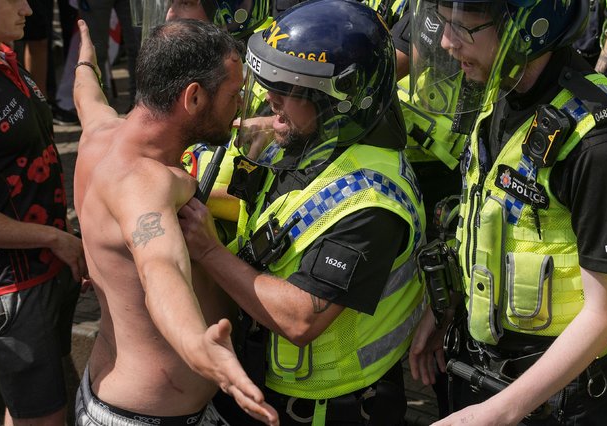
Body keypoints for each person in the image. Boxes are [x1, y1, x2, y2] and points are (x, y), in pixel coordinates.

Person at [178, 1, 427, 424]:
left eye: (287, 89)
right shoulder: (319, 139)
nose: (270, 99)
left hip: (333, 408)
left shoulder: (372, 201)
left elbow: (298, 319)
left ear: (340, 99)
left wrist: (207, 251)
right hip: (275, 387)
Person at [407, 0, 607, 424]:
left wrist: (500, 412)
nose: (447, 42)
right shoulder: (498, 88)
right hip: (477, 368)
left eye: (464, 28)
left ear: (531, 27)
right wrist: (451, 306)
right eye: (442, 23)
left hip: (554, 397)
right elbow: (492, 218)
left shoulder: (599, 142)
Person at [72, 18, 278, 426]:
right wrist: (199, 346)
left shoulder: (101, 132)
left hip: (111, 396)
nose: (240, 107)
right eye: (234, 95)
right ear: (194, 97)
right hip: (147, 417)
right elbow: (160, 268)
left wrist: (84, 65)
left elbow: (87, 96)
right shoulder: (144, 183)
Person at [0, 1, 86, 425]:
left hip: (48, 271)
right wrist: (54, 238)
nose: (28, 7)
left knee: (32, 409)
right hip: (13, 288)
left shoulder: (8, 57)